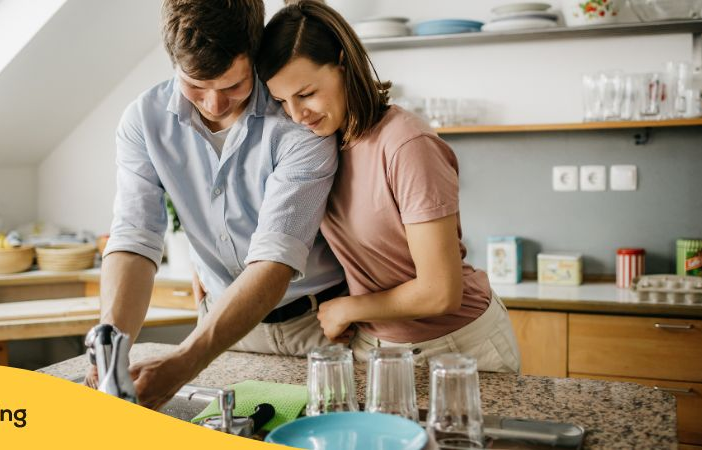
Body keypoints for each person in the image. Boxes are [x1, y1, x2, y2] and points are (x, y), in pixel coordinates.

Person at [91, 0, 347, 409]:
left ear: (254, 52)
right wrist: (112, 345)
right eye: (196, 85)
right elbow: (134, 237)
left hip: (317, 327)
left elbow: (274, 260)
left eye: (232, 86)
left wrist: (184, 361)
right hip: (220, 328)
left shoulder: (298, 120)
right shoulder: (143, 120)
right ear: (173, 62)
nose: (213, 104)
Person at [256, 1, 521, 372]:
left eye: (306, 93)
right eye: (282, 101)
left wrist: (349, 308)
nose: (297, 115)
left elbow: (440, 291)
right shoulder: (321, 145)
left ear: (345, 66)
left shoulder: (406, 144)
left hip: (458, 347)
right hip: (375, 349)